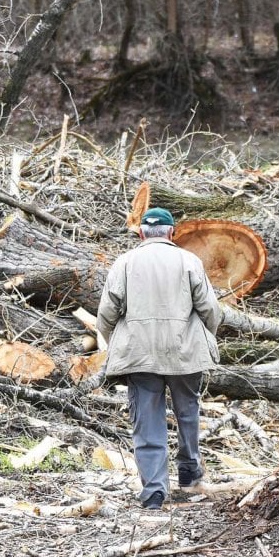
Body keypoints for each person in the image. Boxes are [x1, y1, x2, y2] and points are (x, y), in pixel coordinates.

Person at [96, 207, 222, 510]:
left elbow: (106, 313)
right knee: (187, 410)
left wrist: (116, 343)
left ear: (141, 233)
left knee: (147, 419)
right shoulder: (188, 260)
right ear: (172, 233)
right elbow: (210, 309)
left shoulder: (125, 262)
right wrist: (206, 337)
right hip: (184, 351)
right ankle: (189, 470)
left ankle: (154, 490)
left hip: (139, 354)